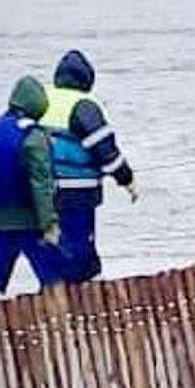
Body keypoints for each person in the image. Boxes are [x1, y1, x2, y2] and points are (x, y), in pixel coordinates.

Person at [42, 49, 137, 284]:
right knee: (80, 248)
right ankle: (82, 297)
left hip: (40, 188)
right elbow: (104, 149)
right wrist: (126, 179)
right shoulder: (84, 105)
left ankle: (52, 294)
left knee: (50, 247)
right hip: (76, 188)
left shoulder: (42, 100)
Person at [0, 76, 63, 298]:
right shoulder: (33, 136)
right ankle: (57, 315)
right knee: (51, 272)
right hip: (28, 217)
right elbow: (41, 185)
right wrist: (48, 223)